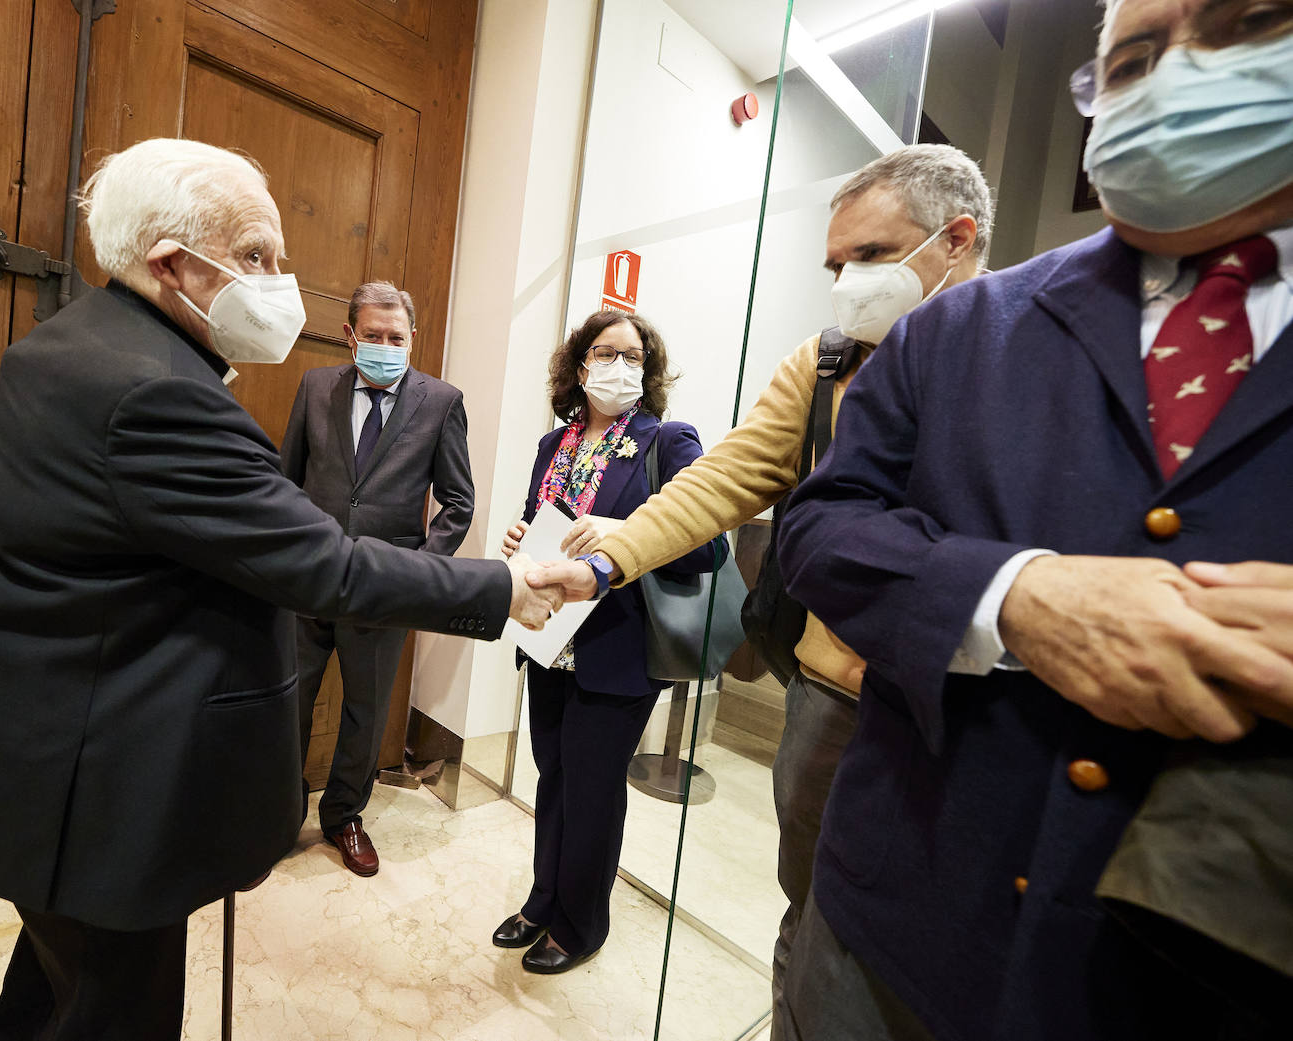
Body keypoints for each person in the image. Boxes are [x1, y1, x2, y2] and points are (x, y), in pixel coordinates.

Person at [0, 137, 562, 1040]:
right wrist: (502, 587)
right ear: (173, 264)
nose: (278, 284)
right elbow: (325, 562)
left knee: (43, 997)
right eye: (256, 255)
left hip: (43, 755)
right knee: (109, 1012)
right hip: (96, 791)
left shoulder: (70, 343)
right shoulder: (155, 391)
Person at [774, 0, 1293, 1035]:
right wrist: (1012, 596)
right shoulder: (960, 331)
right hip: (898, 926)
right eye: (1137, 56)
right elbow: (819, 522)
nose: (1179, 77)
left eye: (1245, 26)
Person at [528, 144, 993, 1024]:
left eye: (868, 256)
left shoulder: (1019, 354)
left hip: (968, 704)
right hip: (831, 694)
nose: (846, 282)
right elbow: (724, 482)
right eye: (834, 263)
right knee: (810, 916)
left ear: (955, 240)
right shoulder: (821, 367)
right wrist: (603, 561)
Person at [492, 309, 726, 974]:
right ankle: (543, 900)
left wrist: (617, 540)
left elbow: (707, 546)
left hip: (617, 648)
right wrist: (518, 535)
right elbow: (541, 520)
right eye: (603, 351)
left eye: (632, 355)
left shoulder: (669, 440)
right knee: (555, 777)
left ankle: (580, 922)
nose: (616, 365)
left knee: (594, 788)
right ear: (579, 363)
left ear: (648, 372)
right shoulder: (553, 444)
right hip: (547, 639)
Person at [280, 280, 474, 877]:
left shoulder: (441, 401)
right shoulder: (316, 386)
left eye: (396, 337)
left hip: (384, 590)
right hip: (308, 580)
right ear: (350, 336)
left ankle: (344, 817)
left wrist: (414, 572)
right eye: (372, 335)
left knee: (366, 715)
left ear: (412, 338)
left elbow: (457, 503)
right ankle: (278, 818)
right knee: (289, 703)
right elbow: (286, 479)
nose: (385, 345)